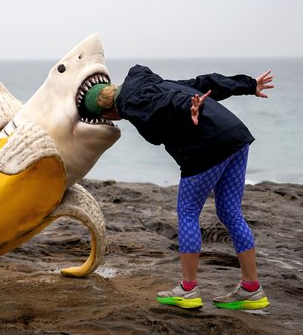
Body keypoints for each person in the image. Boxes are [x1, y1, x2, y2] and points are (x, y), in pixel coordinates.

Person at [83, 65, 274, 310]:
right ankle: (251, 289)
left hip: (207, 146)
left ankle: (187, 289)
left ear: (108, 113)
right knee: (230, 212)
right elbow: (203, 83)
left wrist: (189, 110)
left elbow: (169, 103)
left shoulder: (132, 104)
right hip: (235, 136)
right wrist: (248, 85)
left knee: (188, 212)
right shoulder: (152, 82)